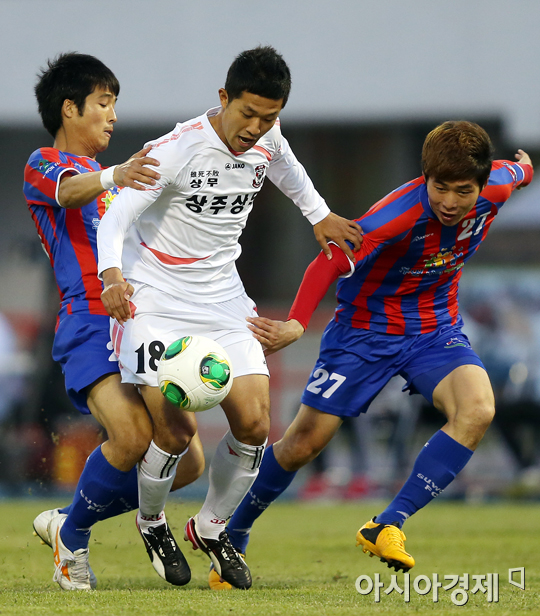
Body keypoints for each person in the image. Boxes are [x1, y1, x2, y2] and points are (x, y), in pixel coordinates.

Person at [213, 120, 533, 588]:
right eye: (439, 187)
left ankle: (387, 524)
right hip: (363, 333)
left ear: (482, 184)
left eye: (463, 191)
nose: (449, 201)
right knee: (304, 444)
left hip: (433, 329)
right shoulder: (395, 216)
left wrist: (525, 167)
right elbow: (328, 260)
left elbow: (518, 171)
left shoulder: (500, 184)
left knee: (478, 409)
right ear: (425, 177)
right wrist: (297, 322)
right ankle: (231, 533)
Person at [96, 45, 363, 590]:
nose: (255, 128)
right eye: (248, 113)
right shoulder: (176, 150)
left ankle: (211, 526)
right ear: (223, 98)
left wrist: (319, 215)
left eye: (269, 117)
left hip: (221, 296)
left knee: (256, 423)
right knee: (175, 430)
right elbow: (116, 216)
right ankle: (152, 522)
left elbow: (286, 167)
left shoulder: (269, 136)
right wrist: (111, 278)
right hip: (155, 297)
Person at [23, 53, 205, 591]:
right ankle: (74, 543)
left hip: (141, 319)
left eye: (114, 104)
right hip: (88, 318)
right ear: (70, 108)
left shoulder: (118, 188)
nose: (113, 116)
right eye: (103, 103)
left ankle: (68, 520)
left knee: (188, 460)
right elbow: (66, 191)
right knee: (131, 436)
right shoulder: (45, 163)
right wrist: (117, 175)